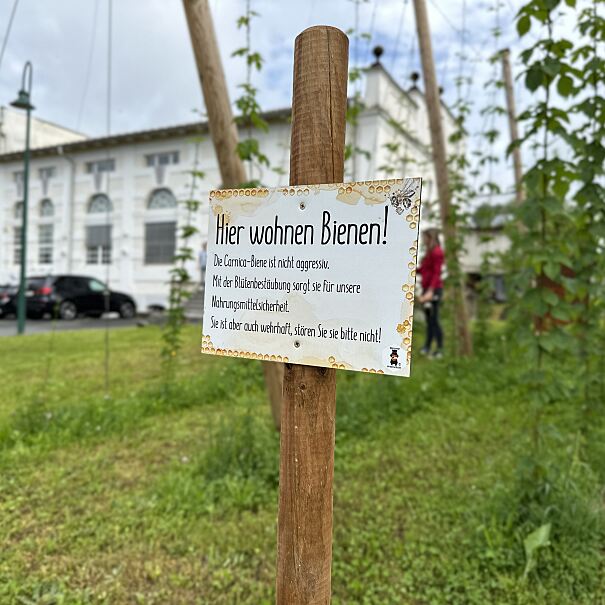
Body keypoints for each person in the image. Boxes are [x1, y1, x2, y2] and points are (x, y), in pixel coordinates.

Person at [417, 228, 444, 358]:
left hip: (433, 290)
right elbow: (423, 270)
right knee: (429, 320)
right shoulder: (428, 253)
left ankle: (439, 349)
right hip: (426, 289)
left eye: (425, 238)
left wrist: (430, 292)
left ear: (430, 238)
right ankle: (427, 347)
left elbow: (436, 273)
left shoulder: (437, 252)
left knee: (434, 320)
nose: (423, 240)